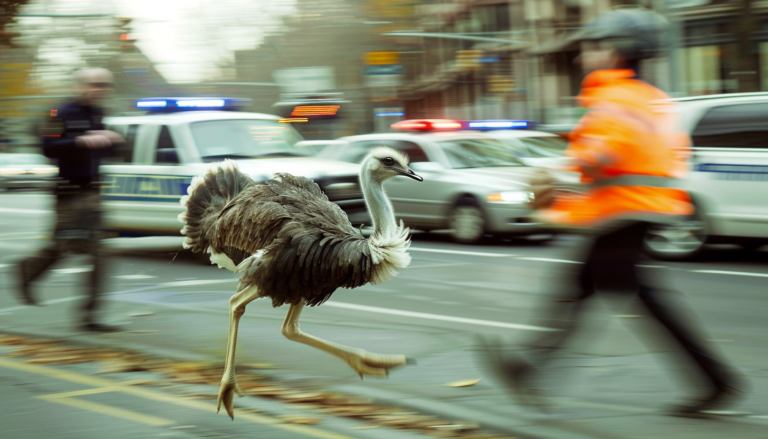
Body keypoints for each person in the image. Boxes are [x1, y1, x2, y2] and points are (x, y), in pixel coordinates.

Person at [483, 8, 744, 418]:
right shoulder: (650, 97)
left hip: (624, 211)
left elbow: (604, 151)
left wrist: (555, 173)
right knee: (585, 286)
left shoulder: (614, 97)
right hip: (637, 210)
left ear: (616, 51)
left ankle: (718, 382)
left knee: (623, 294)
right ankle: (528, 370)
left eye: (591, 47)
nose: (581, 56)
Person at [17, 67, 124, 332]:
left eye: (105, 85)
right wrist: (83, 141)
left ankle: (89, 317)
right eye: (96, 84)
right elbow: (48, 147)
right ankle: (27, 271)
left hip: (92, 194)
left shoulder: (98, 113)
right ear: (80, 86)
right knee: (64, 247)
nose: (101, 90)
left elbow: (107, 149)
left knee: (98, 253)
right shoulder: (59, 113)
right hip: (69, 195)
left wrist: (114, 141)